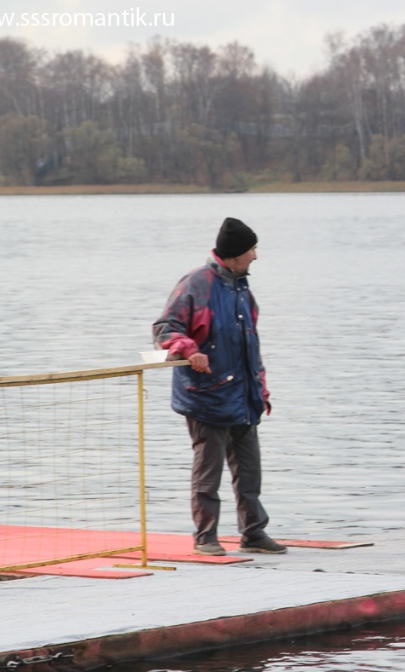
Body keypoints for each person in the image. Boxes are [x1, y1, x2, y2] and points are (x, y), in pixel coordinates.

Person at [153, 217, 286, 556]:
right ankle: (205, 537)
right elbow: (165, 329)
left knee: (250, 471)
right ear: (236, 253)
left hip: (243, 396)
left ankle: (253, 532)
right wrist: (189, 350)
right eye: (252, 249)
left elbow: (250, 345)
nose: (255, 256)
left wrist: (261, 388)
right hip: (206, 397)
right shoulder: (196, 284)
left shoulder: (242, 288)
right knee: (208, 473)